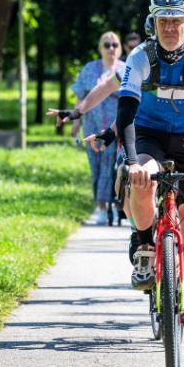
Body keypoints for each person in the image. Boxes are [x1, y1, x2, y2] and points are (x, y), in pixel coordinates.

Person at [118, 0, 184, 354]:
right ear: (154, 23)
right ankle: (146, 243)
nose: (170, 28)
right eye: (164, 21)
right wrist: (133, 163)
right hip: (149, 134)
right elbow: (126, 113)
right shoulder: (140, 57)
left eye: (177, 21)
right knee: (143, 179)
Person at [71, 32, 126, 224]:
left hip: (114, 127)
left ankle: (104, 206)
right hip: (91, 126)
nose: (111, 48)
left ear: (119, 48)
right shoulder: (89, 69)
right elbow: (80, 95)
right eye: (107, 45)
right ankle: (102, 202)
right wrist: (76, 122)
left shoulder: (125, 69)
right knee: (95, 166)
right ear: (100, 48)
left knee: (107, 165)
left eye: (114, 45)